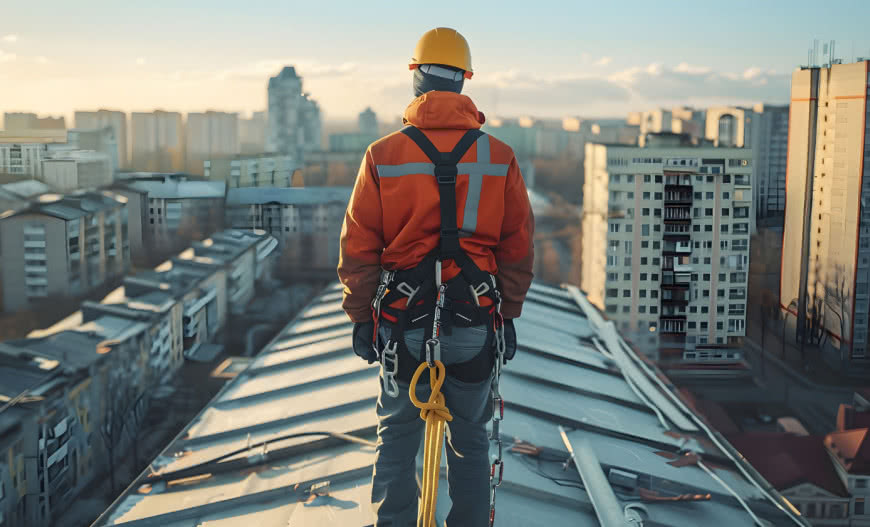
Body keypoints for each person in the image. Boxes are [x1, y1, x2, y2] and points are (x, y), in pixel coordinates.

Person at [337, 27, 534, 527]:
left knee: (397, 436)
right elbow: (517, 248)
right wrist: (508, 314)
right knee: (469, 439)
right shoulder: (499, 156)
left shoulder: (382, 155)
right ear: (464, 83)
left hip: (404, 324)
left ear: (416, 77)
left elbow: (358, 248)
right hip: (473, 321)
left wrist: (361, 317)